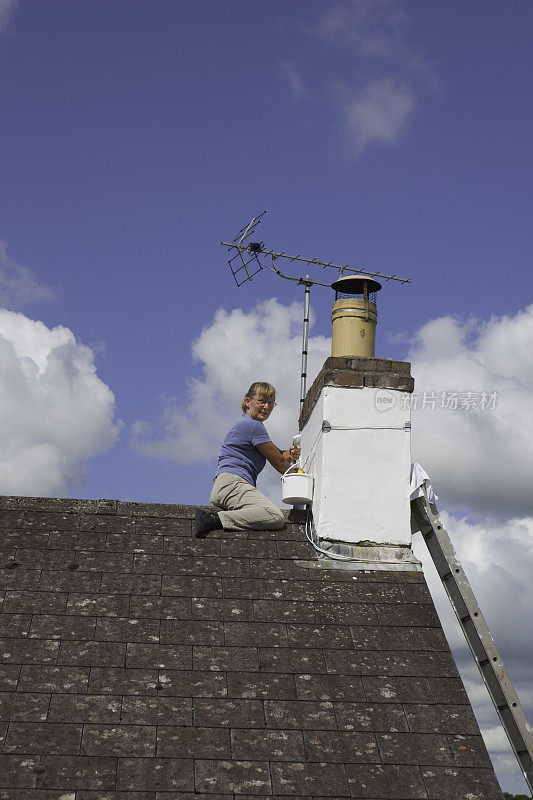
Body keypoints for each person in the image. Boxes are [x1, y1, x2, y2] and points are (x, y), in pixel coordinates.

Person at [195, 381, 301, 537]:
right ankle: (213, 519)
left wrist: (290, 455)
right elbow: (279, 463)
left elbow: (279, 455)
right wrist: (302, 476)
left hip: (223, 487)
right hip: (233, 484)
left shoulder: (249, 426)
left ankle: (217, 520)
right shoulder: (253, 426)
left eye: (271, 403)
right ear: (247, 401)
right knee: (274, 516)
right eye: (262, 401)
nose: (266, 406)